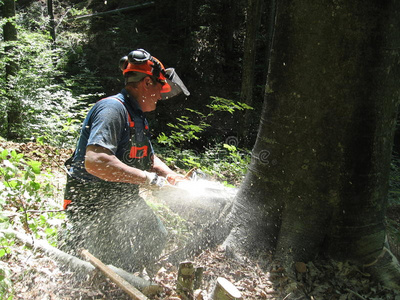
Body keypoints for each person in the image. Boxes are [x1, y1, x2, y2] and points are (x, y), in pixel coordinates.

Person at [61, 48, 190, 274]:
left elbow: (148, 158)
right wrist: (148, 180)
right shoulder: (112, 109)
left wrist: (172, 177)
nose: (161, 95)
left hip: (120, 197)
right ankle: (95, 276)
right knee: (112, 262)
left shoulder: (137, 116)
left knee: (156, 236)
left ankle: (130, 277)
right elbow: (96, 161)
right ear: (147, 83)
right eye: (160, 87)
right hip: (93, 203)